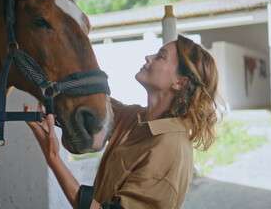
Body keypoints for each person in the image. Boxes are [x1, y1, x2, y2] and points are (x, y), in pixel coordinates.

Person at [23, 34, 221, 209]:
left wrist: (54, 159)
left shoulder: (168, 149)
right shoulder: (135, 118)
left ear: (180, 83)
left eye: (160, 56)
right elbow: (92, 100)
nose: (148, 57)